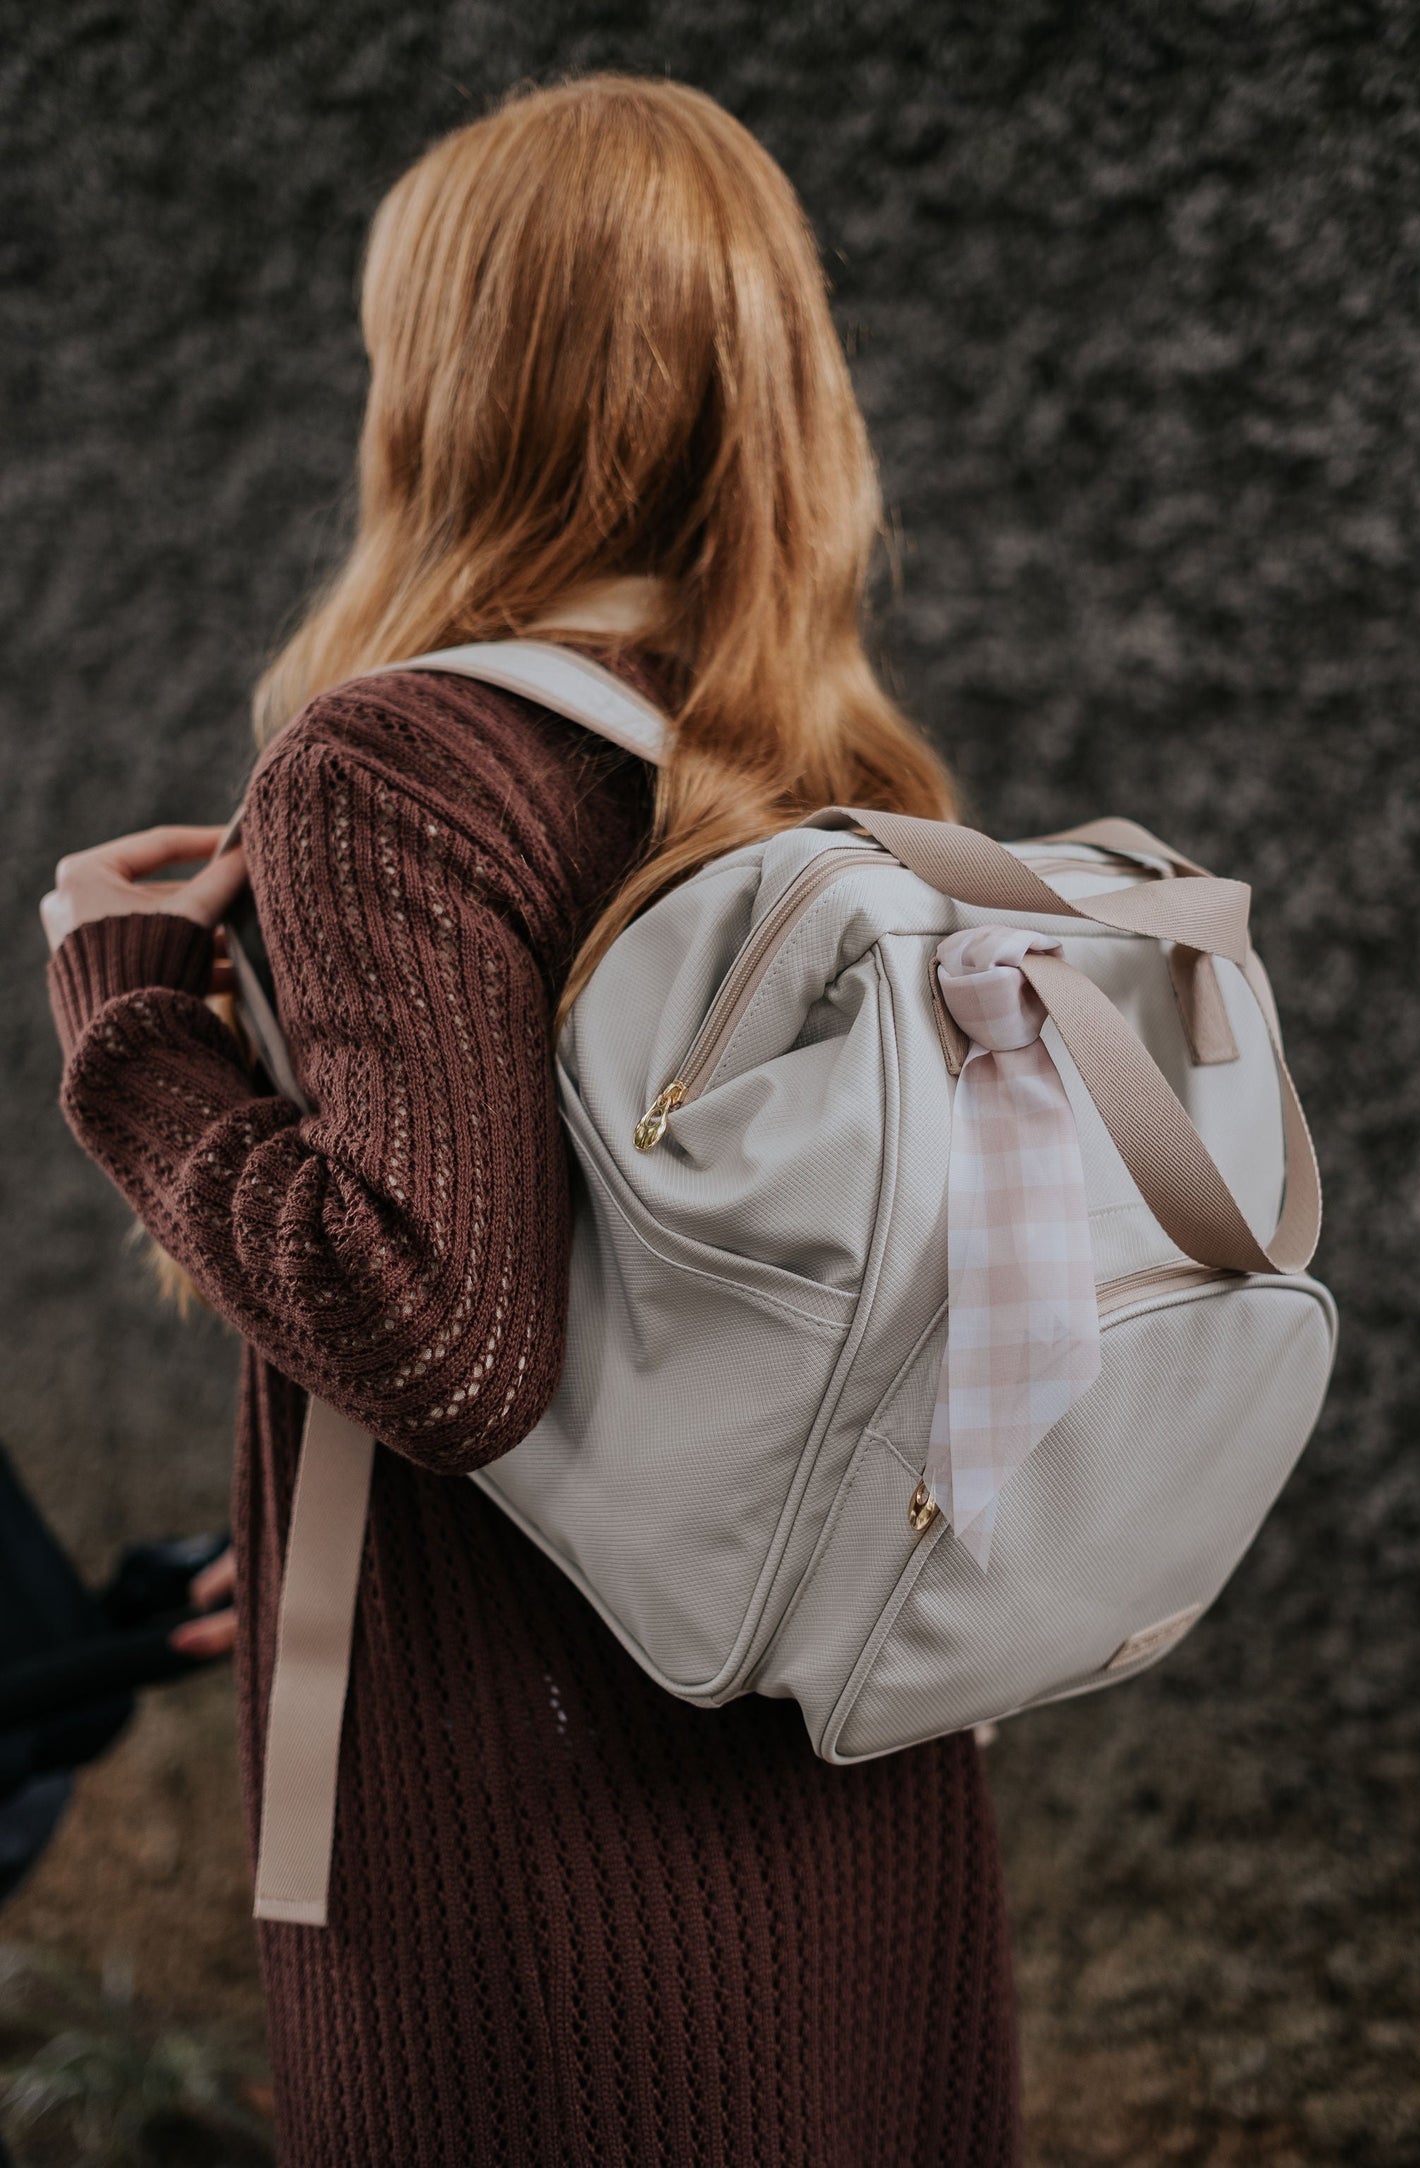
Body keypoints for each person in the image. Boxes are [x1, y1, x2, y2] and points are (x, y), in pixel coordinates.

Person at [41, 74, 1021, 2166]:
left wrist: (134, 1020)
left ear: (459, 390)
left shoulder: (401, 762)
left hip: (542, 1830)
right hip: (857, 1753)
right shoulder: (820, 766)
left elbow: (449, 1338)